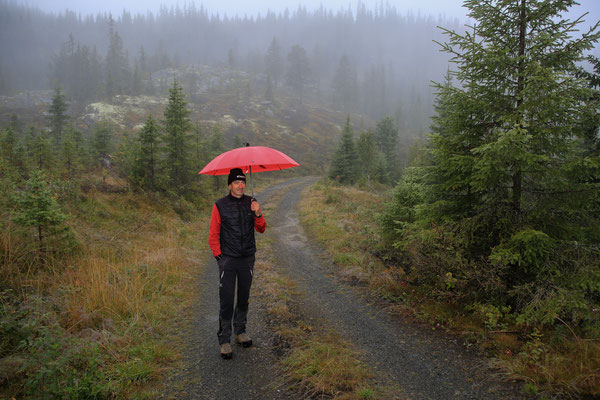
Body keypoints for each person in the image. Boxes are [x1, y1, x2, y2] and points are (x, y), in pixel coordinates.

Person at [208, 168, 266, 359]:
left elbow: (262, 229)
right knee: (226, 300)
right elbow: (213, 234)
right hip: (228, 260)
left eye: (242, 182)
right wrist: (219, 257)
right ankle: (224, 340)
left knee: (243, 297)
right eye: (236, 182)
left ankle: (240, 331)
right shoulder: (220, 205)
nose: (240, 185)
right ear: (230, 185)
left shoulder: (252, 202)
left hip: (247, 258)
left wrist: (257, 213)